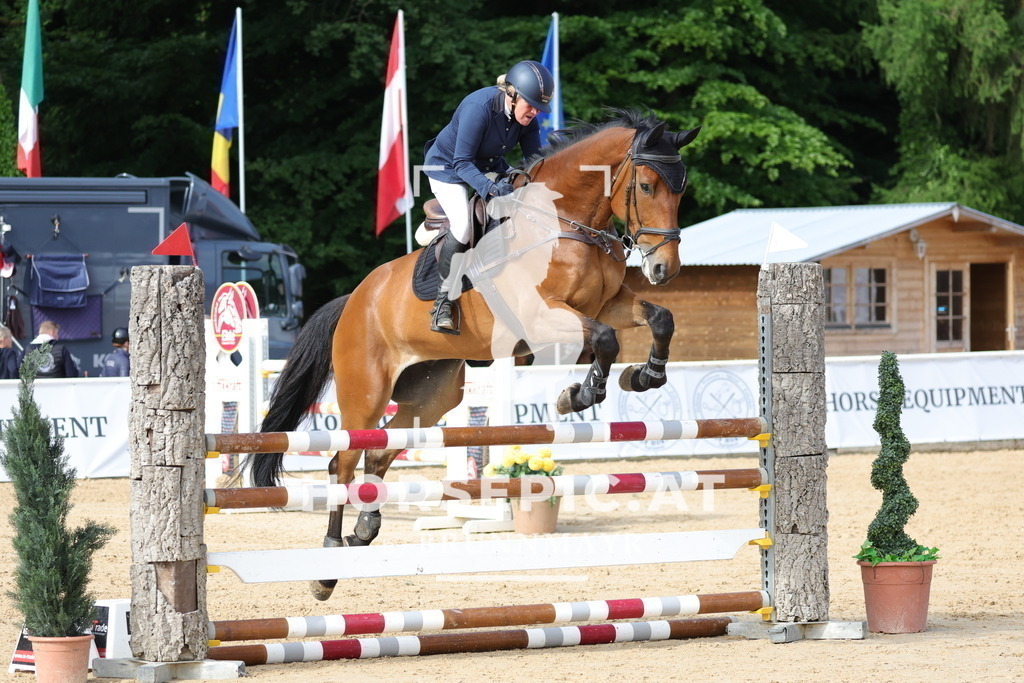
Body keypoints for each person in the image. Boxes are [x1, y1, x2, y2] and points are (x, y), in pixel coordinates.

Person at [422, 59, 555, 334]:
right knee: (462, 228)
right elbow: (461, 163)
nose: (533, 112)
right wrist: (492, 189)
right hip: (447, 168)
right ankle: (442, 304)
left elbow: (534, 163)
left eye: (538, 108)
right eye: (529, 104)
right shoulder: (478, 108)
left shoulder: (527, 118)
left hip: (487, 165)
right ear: (511, 94)